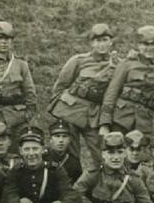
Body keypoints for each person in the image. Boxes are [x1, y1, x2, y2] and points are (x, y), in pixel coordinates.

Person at [49, 23, 119, 166]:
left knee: (101, 153)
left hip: (94, 116)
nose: (101, 44)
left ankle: (101, 178)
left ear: (111, 42)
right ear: (92, 43)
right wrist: (60, 110)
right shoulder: (78, 60)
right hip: (70, 112)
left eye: (105, 40)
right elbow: (61, 85)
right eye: (98, 40)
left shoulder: (117, 64)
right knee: (69, 155)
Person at [73, 132, 153, 203]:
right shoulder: (94, 174)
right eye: (111, 153)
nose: (116, 157)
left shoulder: (133, 177)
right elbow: (76, 193)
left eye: (120, 152)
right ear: (103, 154)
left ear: (125, 153)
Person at [99, 25, 154, 138]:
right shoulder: (127, 64)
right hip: (121, 120)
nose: (149, 48)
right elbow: (111, 93)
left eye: (153, 44)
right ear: (138, 45)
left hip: (145, 123)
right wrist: (105, 123)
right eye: (145, 44)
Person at [43, 119, 83, 185]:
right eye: (57, 136)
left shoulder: (74, 162)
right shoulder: (43, 158)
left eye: (64, 136)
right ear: (50, 139)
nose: (61, 140)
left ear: (69, 140)